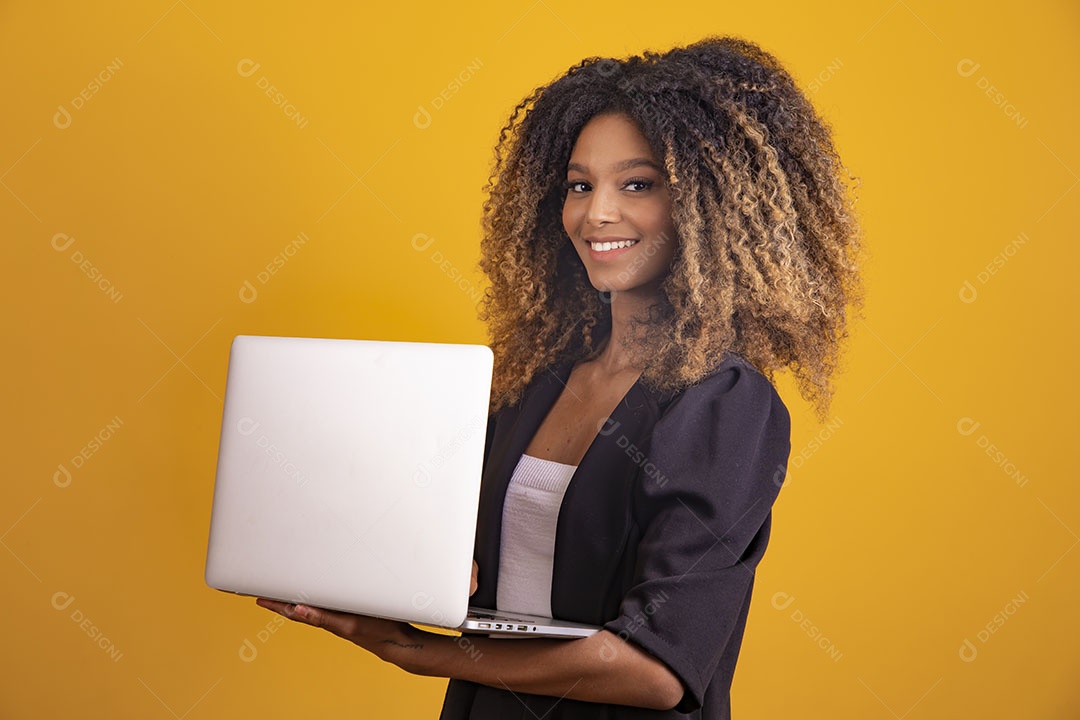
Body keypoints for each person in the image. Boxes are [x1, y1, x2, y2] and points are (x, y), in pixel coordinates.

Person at [256, 34, 863, 718]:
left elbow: (658, 670)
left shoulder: (724, 403)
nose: (595, 213)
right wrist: (406, 574)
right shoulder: (534, 381)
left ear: (712, 205)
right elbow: (489, 570)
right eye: (580, 185)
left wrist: (412, 651)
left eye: (638, 183)